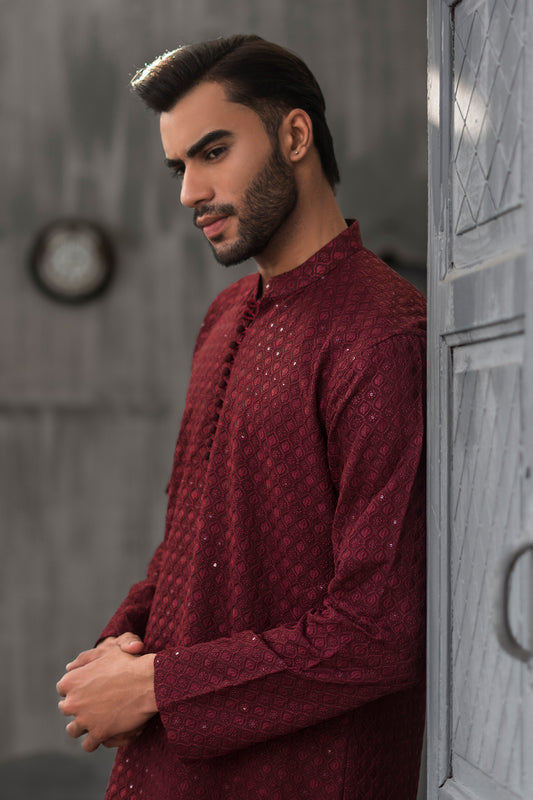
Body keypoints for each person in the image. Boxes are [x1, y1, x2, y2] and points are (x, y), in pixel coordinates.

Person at [57, 34, 426, 800]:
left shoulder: (382, 337)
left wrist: (156, 688)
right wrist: (118, 648)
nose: (189, 192)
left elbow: (378, 632)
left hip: (297, 776)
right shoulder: (226, 314)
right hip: (168, 765)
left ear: (294, 135)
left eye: (213, 152)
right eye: (179, 167)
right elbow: (192, 536)